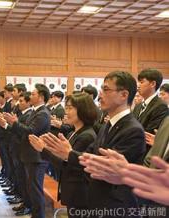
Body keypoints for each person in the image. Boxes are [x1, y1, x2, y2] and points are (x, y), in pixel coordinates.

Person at [44, 71, 146, 217]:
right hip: (98, 200)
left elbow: (104, 166)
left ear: (124, 95)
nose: (100, 94)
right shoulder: (108, 124)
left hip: (115, 206)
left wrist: (69, 153)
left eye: (106, 89)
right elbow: (91, 153)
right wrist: (66, 153)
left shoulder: (132, 130)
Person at [29, 92, 97, 217]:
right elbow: (64, 157)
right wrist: (49, 147)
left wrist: (43, 149)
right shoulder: (74, 132)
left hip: (80, 192)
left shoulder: (86, 135)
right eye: (66, 107)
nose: (66, 112)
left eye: (70, 108)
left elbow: (68, 164)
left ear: (83, 110)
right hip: (72, 189)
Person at [3, 84, 51, 218]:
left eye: (34, 94)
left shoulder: (43, 114)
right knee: (31, 189)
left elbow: (30, 131)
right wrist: (11, 124)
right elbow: (24, 130)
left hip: (36, 157)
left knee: (35, 191)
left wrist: (14, 123)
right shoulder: (36, 112)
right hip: (29, 155)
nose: (31, 96)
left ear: (41, 97)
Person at [133, 68, 168, 154]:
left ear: (152, 84)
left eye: (142, 82)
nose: (138, 85)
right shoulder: (138, 106)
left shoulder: (160, 106)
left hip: (146, 153)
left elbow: (147, 134)